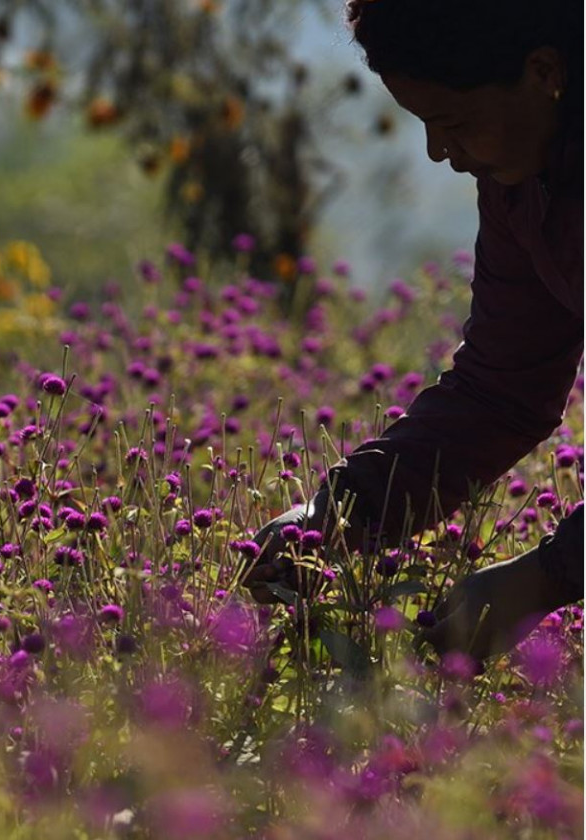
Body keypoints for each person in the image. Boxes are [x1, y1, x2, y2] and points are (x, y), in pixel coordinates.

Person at [243, 0, 583, 662]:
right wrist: (340, 515)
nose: (439, 154)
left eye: (453, 123)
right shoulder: (524, 183)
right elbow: (501, 392)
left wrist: (546, 577)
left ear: (545, 71)